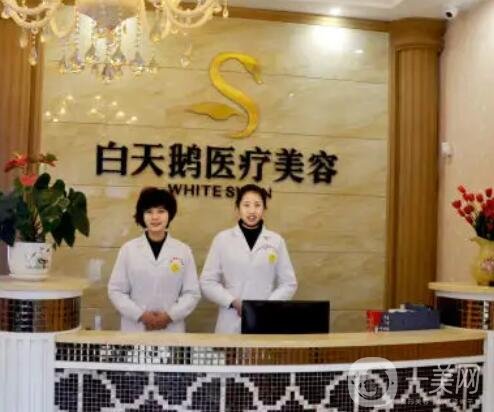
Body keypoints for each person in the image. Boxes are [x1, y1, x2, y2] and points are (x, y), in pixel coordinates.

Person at [200, 184, 297, 334]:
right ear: (237, 208)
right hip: (230, 317)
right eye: (246, 205)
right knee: (229, 349)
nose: (252, 211)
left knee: (261, 349)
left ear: (264, 209)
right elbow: (207, 281)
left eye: (257, 205)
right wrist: (232, 302)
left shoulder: (276, 241)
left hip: (264, 317)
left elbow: (289, 283)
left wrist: (266, 306)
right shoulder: (222, 239)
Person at [108, 187, 200, 332]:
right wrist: (141, 315)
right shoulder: (128, 250)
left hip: (171, 329)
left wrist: (169, 316)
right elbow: (116, 291)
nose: (155, 217)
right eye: (149, 212)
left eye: (161, 211)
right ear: (142, 215)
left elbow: (192, 293)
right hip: (135, 328)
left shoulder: (183, 251)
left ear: (170, 214)